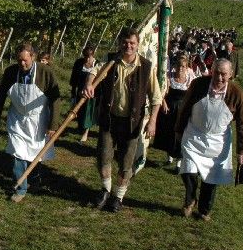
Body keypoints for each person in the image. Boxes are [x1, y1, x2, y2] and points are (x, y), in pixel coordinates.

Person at [83, 28, 162, 213]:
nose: (128, 46)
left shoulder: (146, 66)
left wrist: (152, 122)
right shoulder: (111, 61)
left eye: (132, 43)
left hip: (132, 123)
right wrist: (89, 83)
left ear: (138, 44)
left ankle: (118, 196)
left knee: (126, 163)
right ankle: (105, 190)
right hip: (109, 120)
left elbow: (156, 98)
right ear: (120, 43)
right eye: (125, 42)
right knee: (103, 158)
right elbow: (94, 71)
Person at [175, 58, 243, 221]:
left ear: (230, 75)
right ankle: (190, 199)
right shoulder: (198, 85)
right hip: (194, 135)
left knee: (211, 177)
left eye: (224, 74)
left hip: (218, 141)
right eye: (216, 73)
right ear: (211, 71)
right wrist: (179, 130)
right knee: (188, 170)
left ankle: (204, 210)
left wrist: (242, 150)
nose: (219, 78)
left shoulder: (237, 94)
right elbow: (185, 107)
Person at [0, 42, 62, 203]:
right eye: (19, 60)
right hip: (17, 119)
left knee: (35, 154)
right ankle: (20, 187)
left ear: (33, 57)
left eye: (25, 60)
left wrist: (53, 125)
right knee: (17, 152)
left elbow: (55, 100)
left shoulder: (45, 73)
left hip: (38, 119)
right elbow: (0, 96)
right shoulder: (11, 72)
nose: (22, 64)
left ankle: (34, 181)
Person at [153, 54, 195, 166]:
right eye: (178, 66)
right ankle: (169, 157)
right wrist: (164, 103)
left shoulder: (190, 79)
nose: (180, 68)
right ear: (175, 66)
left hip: (182, 110)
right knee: (169, 132)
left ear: (186, 68)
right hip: (170, 108)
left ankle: (179, 162)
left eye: (183, 66)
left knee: (181, 133)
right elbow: (161, 92)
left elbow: (191, 96)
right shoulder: (169, 77)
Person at [70, 46, 96, 142]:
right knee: (79, 112)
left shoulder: (96, 64)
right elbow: (74, 80)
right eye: (85, 56)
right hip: (80, 91)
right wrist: (73, 95)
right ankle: (80, 128)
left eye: (89, 56)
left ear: (93, 55)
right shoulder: (79, 63)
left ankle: (86, 133)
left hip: (91, 93)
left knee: (87, 113)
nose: (87, 59)